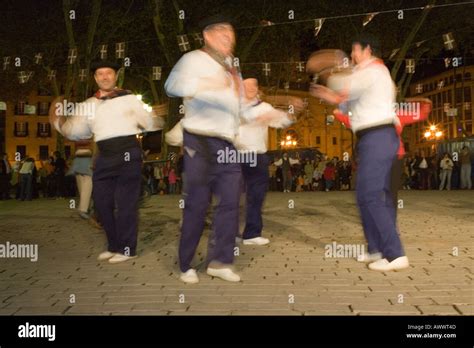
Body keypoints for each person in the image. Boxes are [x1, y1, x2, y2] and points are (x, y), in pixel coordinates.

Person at [309, 34, 408, 272]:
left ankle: (395, 255)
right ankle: (375, 248)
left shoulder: (373, 71)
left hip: (378, 136)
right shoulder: (369, 75)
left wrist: (327, 68)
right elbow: (348, 100)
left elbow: (344, 86)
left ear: (367, 50)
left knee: (370, 195)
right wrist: (331, 96)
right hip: (372, 138)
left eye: (355, 50)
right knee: (366, 195)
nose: (352, 55)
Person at [49, 60, 164, 264]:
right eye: (100, 74)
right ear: (95, 78)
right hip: (103, 154)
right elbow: (76, 131)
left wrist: (154, 116)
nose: (104, 77)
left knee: (126, 204)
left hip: (128, 151)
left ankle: (128, 249)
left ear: (115, 76)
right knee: (102, 204)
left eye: (108, 73)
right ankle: (114, 245)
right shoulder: (89, 104)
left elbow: (149, 123)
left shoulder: (129, 98)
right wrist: (59, 124)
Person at [165, 14, 245, 283]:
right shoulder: (193, 59)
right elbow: (171, 85)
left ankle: (220, 261)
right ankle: (186, 264)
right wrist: (205, 84)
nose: (228, 36)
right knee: (198, 203)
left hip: (227, 142)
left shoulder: (233, 67)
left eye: (231, 32)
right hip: (199, 139)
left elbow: (238, 104)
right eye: (222, 31)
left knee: (231, 203)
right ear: (207, 35)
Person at [234, 77, 301, 246]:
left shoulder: (264, 107)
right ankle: (230, 232)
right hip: (235, 155)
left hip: (257, 155)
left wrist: (293, 112)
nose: (249, 88)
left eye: (253, 85)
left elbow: (282, 120)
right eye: (245, 85)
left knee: (256, 196)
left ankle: (251, 234)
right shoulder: (233, 106)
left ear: (257, 89)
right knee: (231, 196)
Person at [70, 140, 94, 219]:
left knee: (82, 188)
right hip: (86, 166)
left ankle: (86, 208)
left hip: (78, 165)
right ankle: (83, 209)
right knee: (87, 187)